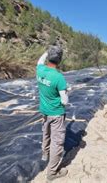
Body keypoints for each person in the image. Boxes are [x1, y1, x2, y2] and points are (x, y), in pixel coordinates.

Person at [36, 46, 69, 181]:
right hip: (56, 114)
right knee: (57, 142)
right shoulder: (59, 77)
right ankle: (52, 173)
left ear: (49, 57)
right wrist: (67, 92)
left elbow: (39, 61)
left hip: (44, 111)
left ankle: (45, 154)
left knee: (46, 133)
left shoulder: (40, 69)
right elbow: (65, 101)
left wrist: (48, 51)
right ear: (60, 60)